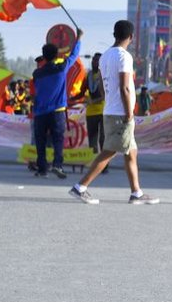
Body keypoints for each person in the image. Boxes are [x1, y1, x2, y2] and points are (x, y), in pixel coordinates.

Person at [68, 20, 159, 205]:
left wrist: (111, 101)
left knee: (131, 152)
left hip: (110, 110)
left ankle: (136, 193)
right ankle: (80, 187)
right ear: (131, 37)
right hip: (120, 114)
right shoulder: (124, 57)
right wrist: (128, 113)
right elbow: (125, 87)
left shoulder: (105, 56)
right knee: (109, 151)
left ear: (114, 35)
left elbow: (102, 85)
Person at [31, 28, 83, 179]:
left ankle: (42, 169)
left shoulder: (37, 74)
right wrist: (78, 38)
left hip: (40, 112)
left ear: (44, 57)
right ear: (56, 56)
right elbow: (73, 56)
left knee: (40, 141)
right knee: (58, 139)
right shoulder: (61, 68)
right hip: (57, 111)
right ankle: (57, 165)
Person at [85, 53, 105, 154]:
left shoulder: (104, 75)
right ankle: (94, 163)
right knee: (92, 141)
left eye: (97, 60)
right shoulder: (88, 75)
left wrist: (93, 101)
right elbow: (82, 91)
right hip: (90, 113)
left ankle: (104, 165)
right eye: (93, 60)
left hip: (103, 112)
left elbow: (104, 96)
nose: (94, 62)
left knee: (102, 139)